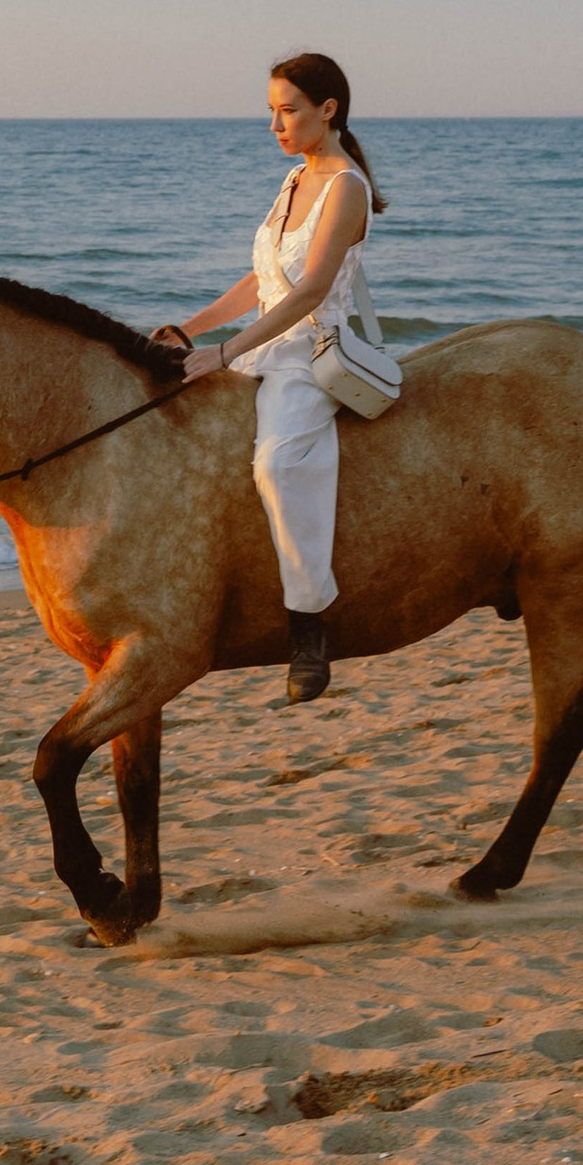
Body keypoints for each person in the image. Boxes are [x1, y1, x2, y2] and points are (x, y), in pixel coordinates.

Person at [153, 51, 388, 703]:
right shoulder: (292, 180)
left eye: (288, 111)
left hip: (309, 356)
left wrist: (226, 354)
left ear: (327, 110)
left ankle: (310, 626)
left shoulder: (346, 188)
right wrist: (191, 330)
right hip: (262, 344)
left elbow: (310, 291)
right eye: (271, 112)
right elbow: (262, 278)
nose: (276, 125)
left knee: (278, 464)